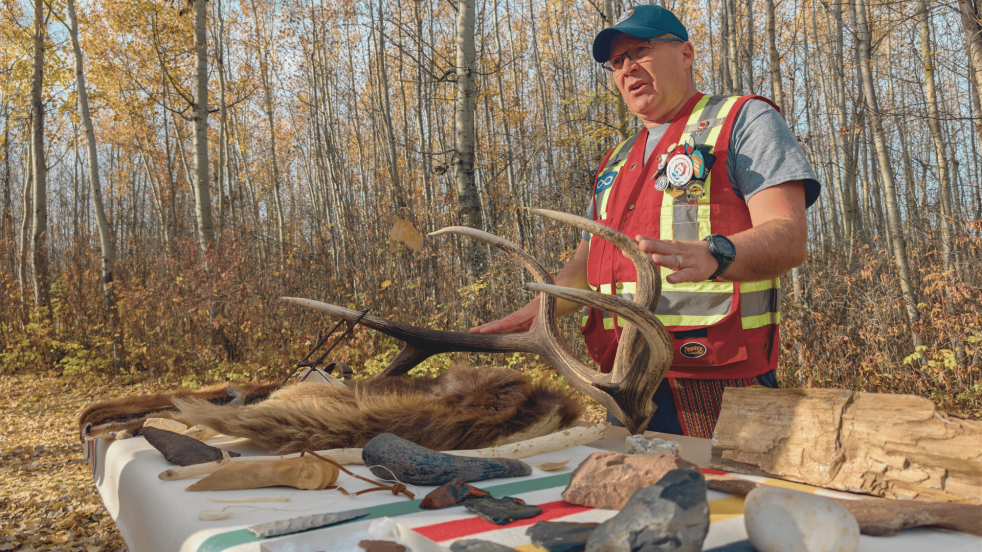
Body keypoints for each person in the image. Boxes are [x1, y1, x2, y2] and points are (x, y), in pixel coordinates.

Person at [471, 5, 820, 438]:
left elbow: (789, 237)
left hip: (719, 382)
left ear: (686, 53)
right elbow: (587, 263)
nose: (628, 68)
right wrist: (541, 308)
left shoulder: (744, 120)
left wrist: (715, 254)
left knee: (718, 485)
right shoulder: (616, 161)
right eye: (617, 61)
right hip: (623, 383)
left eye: (640, 50)